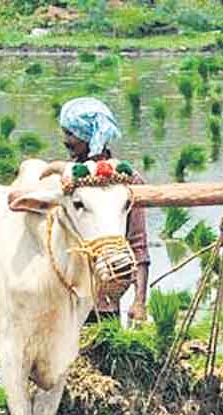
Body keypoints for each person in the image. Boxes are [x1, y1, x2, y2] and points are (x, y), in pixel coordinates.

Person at [58, 97, 149, 324]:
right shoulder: (66, 179)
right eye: (65, 133)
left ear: (88, 135)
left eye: (71, 133)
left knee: (106, 343)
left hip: (105, 299)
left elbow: (137, 245)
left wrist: (139, 301)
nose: (65, 141)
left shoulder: (126, 180)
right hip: (66, 299)